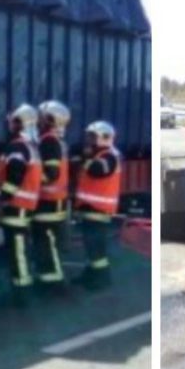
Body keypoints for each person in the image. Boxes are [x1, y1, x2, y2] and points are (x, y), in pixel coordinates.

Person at [0, 104, 43, 303]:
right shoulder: (31, 146)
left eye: (14, 121)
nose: (10, 125)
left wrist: (2, 198)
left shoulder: (17, 146)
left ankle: (21, 292)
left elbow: (15, 175)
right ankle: (19, 287)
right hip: (24, 205)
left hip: (16, 206)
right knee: (18, 249)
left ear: (20, 123)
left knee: (17, 249)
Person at [74, 120, 121, 290]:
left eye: (93, 137)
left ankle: (101, 280)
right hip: (90, 209)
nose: (89, 141)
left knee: (96, 248)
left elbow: (98, 170)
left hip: (98, 211)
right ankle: (90, 276)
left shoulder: (110, 155)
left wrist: (84, 159)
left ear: (105, 137)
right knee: (90, 246)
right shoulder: (99, 155)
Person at [32, 101, 71, 292]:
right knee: (47, 242)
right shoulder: (56, 140)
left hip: (48, 201)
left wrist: (30, 177)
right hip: (54, 200)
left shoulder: (48, 141)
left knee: (45, 241)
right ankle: (49, 279)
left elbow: (51, 173)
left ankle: (54, 283)